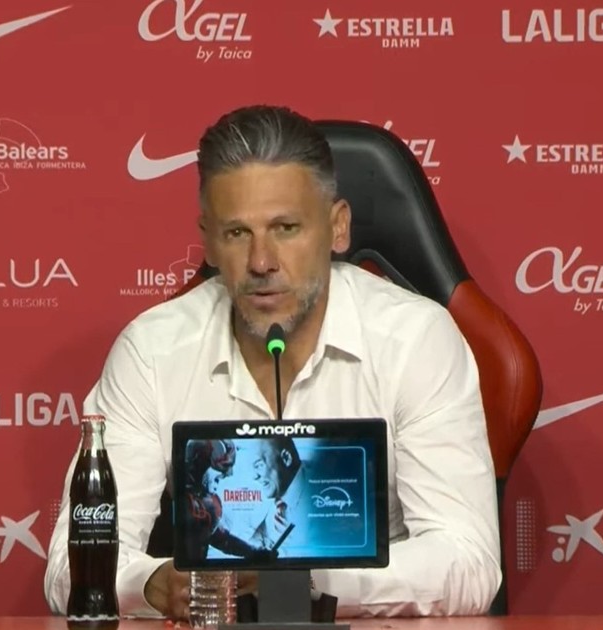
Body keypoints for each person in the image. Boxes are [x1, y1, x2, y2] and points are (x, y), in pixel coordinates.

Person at [44, 104, 502, 620]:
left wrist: (307, 580)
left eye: (285, 228)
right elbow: (69, 566)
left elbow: (469, 561)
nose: (261, 262)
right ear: (208, 240)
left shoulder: (416, 340)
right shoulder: (152, 351)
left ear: (338, 227)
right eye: (238, 233)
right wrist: (153, 585)